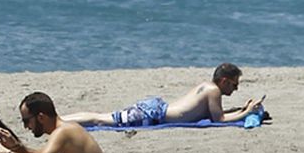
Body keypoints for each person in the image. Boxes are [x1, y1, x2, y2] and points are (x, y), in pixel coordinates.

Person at [75, 64, 263, 129]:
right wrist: (246, 112)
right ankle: (61, 120)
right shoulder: (213, 91)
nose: (236, 89)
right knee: (99, 119)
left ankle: (61, 119)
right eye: (234, 84)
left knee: (101, 117)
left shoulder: (207, 87)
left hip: (154, 110)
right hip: (152, 116)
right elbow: (219, 120)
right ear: (224, 81)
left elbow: (216, 114)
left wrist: (240, 109)